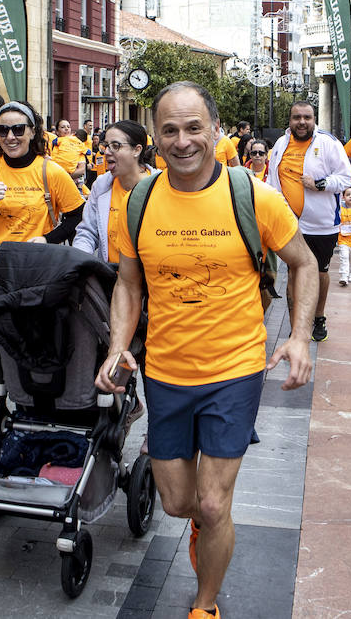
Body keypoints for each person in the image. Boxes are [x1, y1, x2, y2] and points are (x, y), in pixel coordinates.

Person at [94, 81, 317, 619]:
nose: (183, 140)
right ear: (155, 137)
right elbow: (127, 284)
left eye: (194, 127)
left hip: (235, 370)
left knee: (215, 504)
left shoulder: (253, 196)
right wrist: (117, 346)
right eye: (169, 129)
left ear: (215, 130)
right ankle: (203, 525)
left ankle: (204, 605)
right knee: (179, 503)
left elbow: (304, 263)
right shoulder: (138, 203)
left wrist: (300, 336)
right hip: (166, 373)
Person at [267, 101, 351, 343]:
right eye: (297, 117)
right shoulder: (280, 145)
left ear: (314, 119)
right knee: (294, 271)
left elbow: (347, 177)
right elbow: (273, 182)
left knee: (320, 271)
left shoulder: (328, 143)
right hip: (290, 223)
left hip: (322, 223)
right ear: (290, 120)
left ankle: (318, 316)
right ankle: (296, 328)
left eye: (307, 117)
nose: (302, 122)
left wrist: (320, 184)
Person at [0, 100, 84, 251]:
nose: (10, 137)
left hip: (39, 263)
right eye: (3, 130)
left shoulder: (51, 171)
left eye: (18, 129)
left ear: (32, 132)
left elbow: (78, 216)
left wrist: (48, 240)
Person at [74, 120, 158, 264]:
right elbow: (87, 232)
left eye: (116, 146)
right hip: (110, 278)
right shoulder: (101, 185)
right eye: (106, 145)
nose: (107, 152)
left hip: (151, 281)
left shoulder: (159, 186)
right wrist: (80, 261)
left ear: (137, 150)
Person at [48, 119, 88, 184]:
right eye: (62, 127)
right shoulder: (51, 145)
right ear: (57, 132)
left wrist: (63, 177)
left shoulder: (77, 144)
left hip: (71, 183)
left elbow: (81, 170)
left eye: (68, 127)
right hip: (53, 183)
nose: (66, 129)